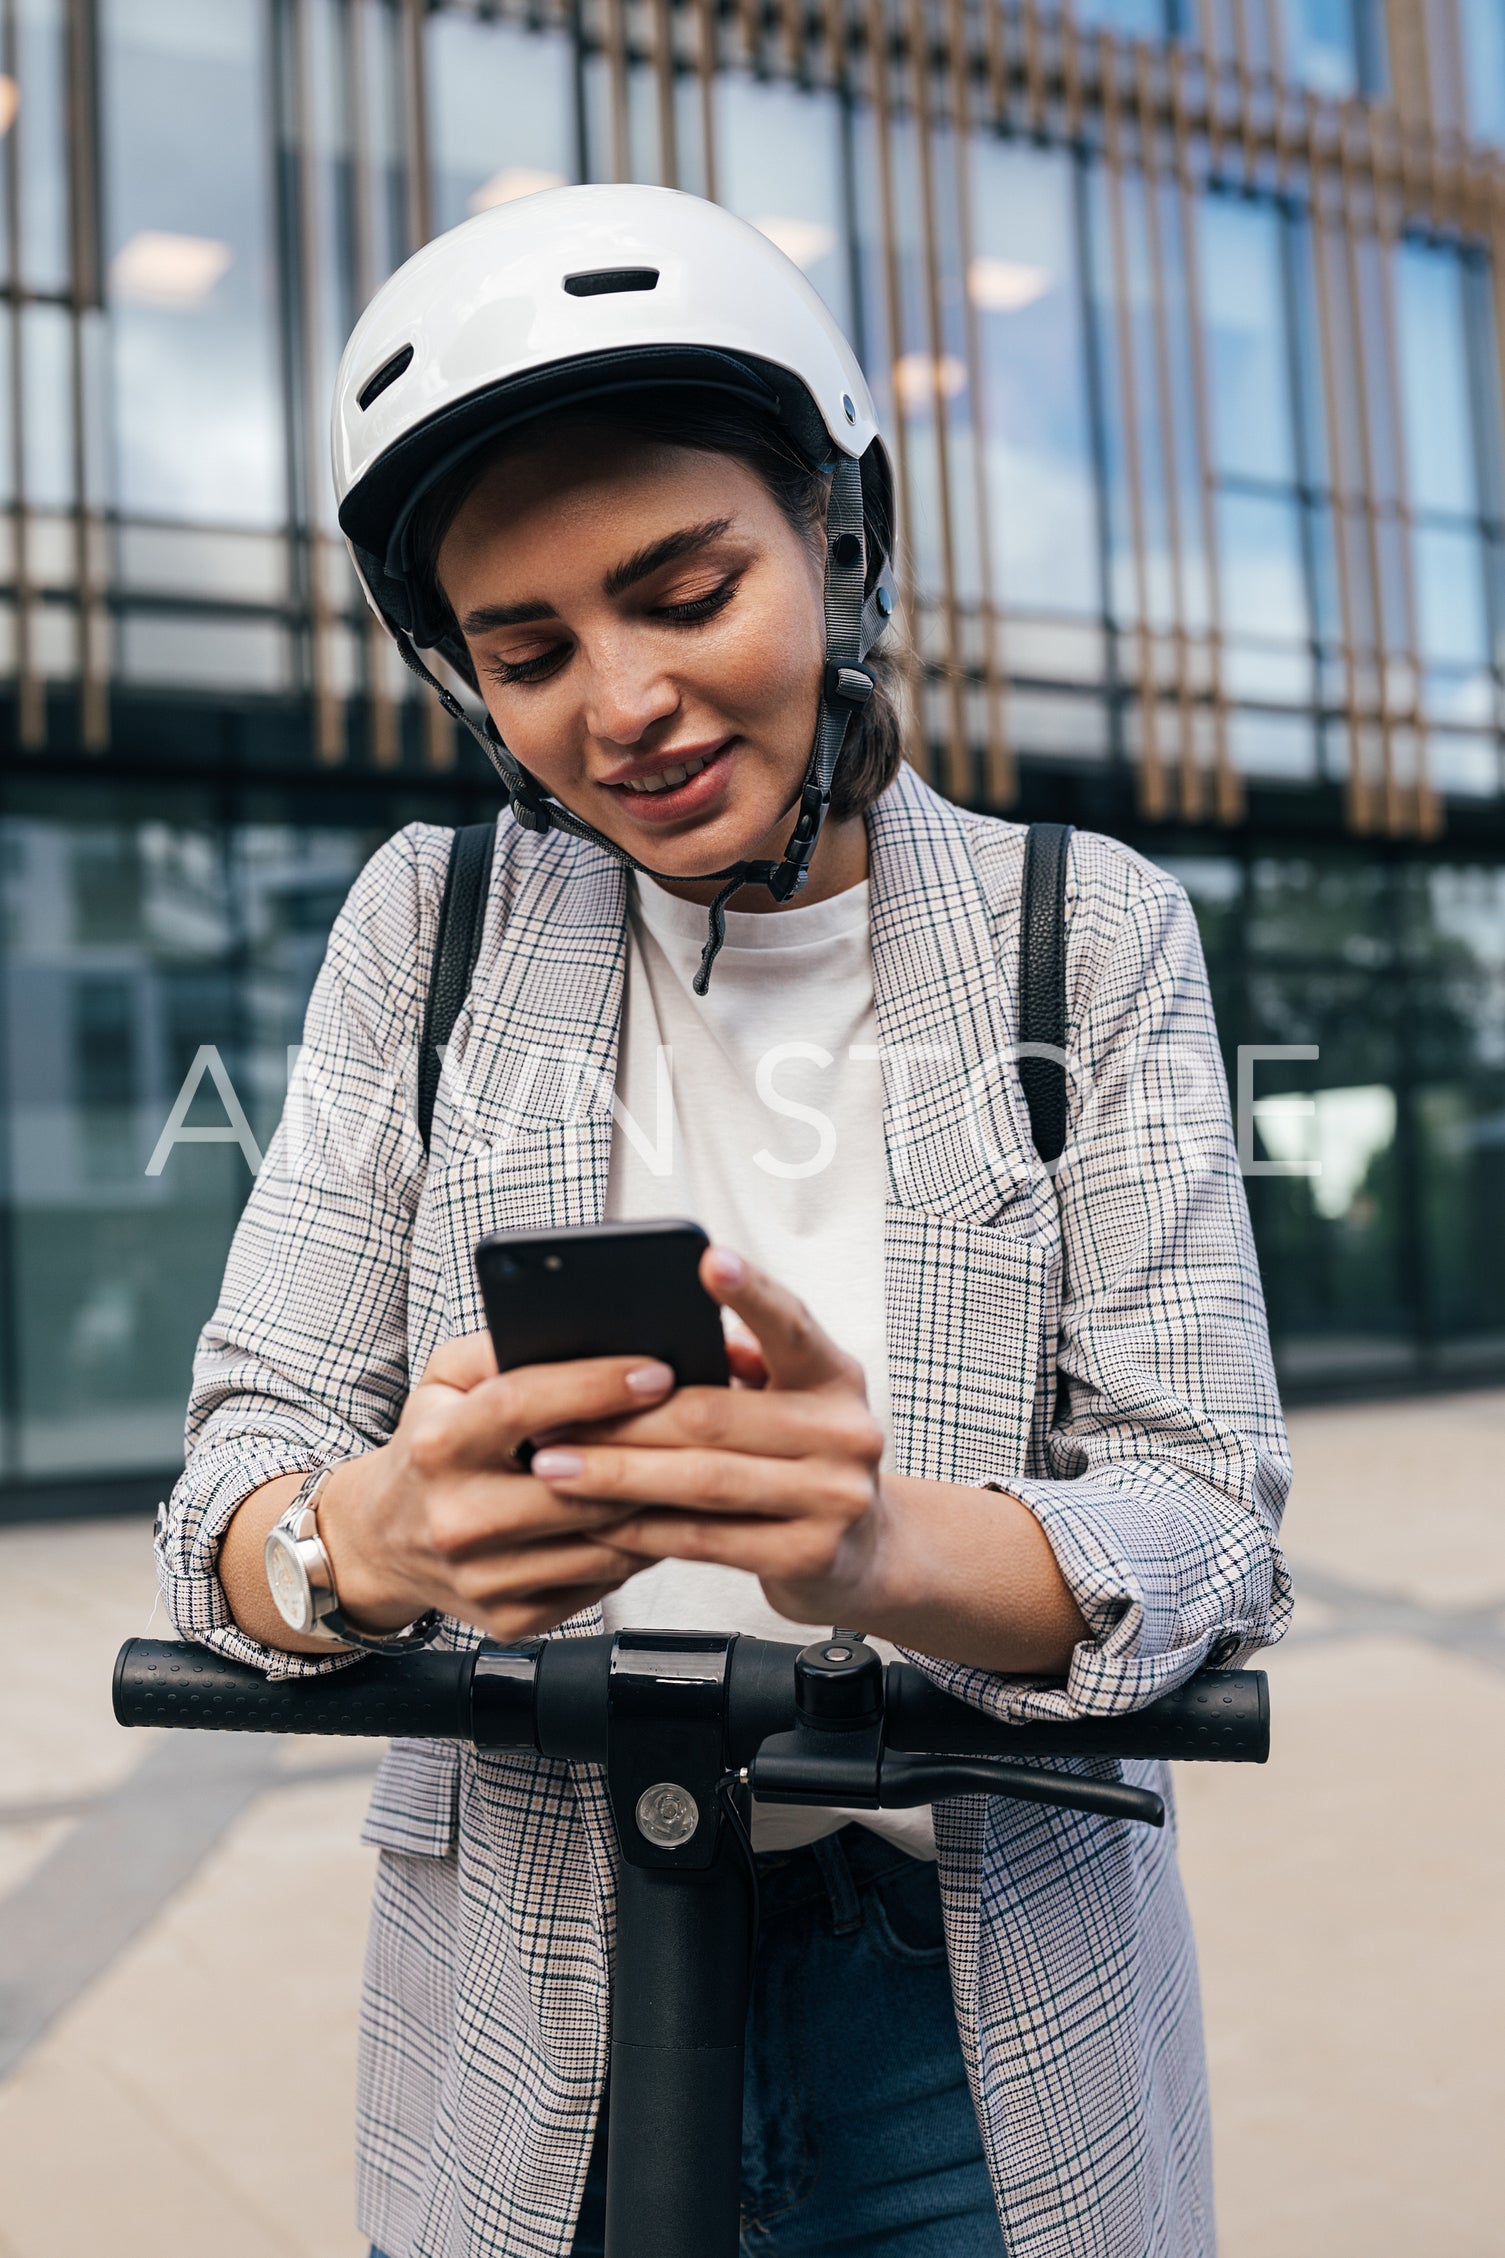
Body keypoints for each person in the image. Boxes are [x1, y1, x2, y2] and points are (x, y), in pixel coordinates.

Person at [157, 184, 1291, 2258]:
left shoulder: (1088, 933)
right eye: (531, 651)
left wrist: (881, 1549)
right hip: (532, 1997)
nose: (626, 704)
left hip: (966, 2006)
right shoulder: (432, 925)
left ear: (839, 544)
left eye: (688, 589)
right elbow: (234, 1474)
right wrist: (379, 1539)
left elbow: (1208, 1503)